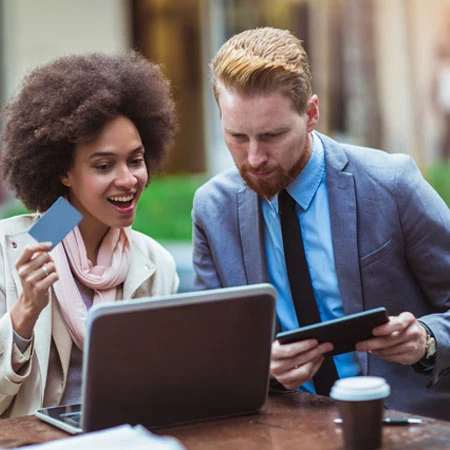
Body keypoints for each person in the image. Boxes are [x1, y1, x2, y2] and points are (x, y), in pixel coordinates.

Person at [192, 27, 450, 420]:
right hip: (284, 428)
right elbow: (212, 347)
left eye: (272, 135)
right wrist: (263, 367)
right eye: (237, 137)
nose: (255, 157)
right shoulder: (212, 209)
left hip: (405, 424)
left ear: (311, 114)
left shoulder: (392, 183)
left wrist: (428, 342)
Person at [0, 51, 179, 417]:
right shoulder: (9, 252)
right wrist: (25, 313)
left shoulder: (156, 264)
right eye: (103, 165)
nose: (128, 180)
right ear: (63, 171)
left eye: (136, 159)